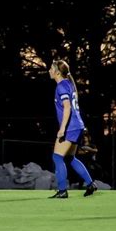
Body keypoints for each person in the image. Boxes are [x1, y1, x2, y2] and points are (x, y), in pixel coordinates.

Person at [48, 60, 97, 198]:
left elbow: (67, 108)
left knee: (57, 157)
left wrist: (62, 128)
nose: (49, 70)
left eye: (51, 68)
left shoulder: (61, 86)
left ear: (58, 72)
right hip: (78, 126)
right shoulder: (68, 84)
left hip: (71, 127)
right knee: (69, 158)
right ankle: (90, 184)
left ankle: (62, 191)